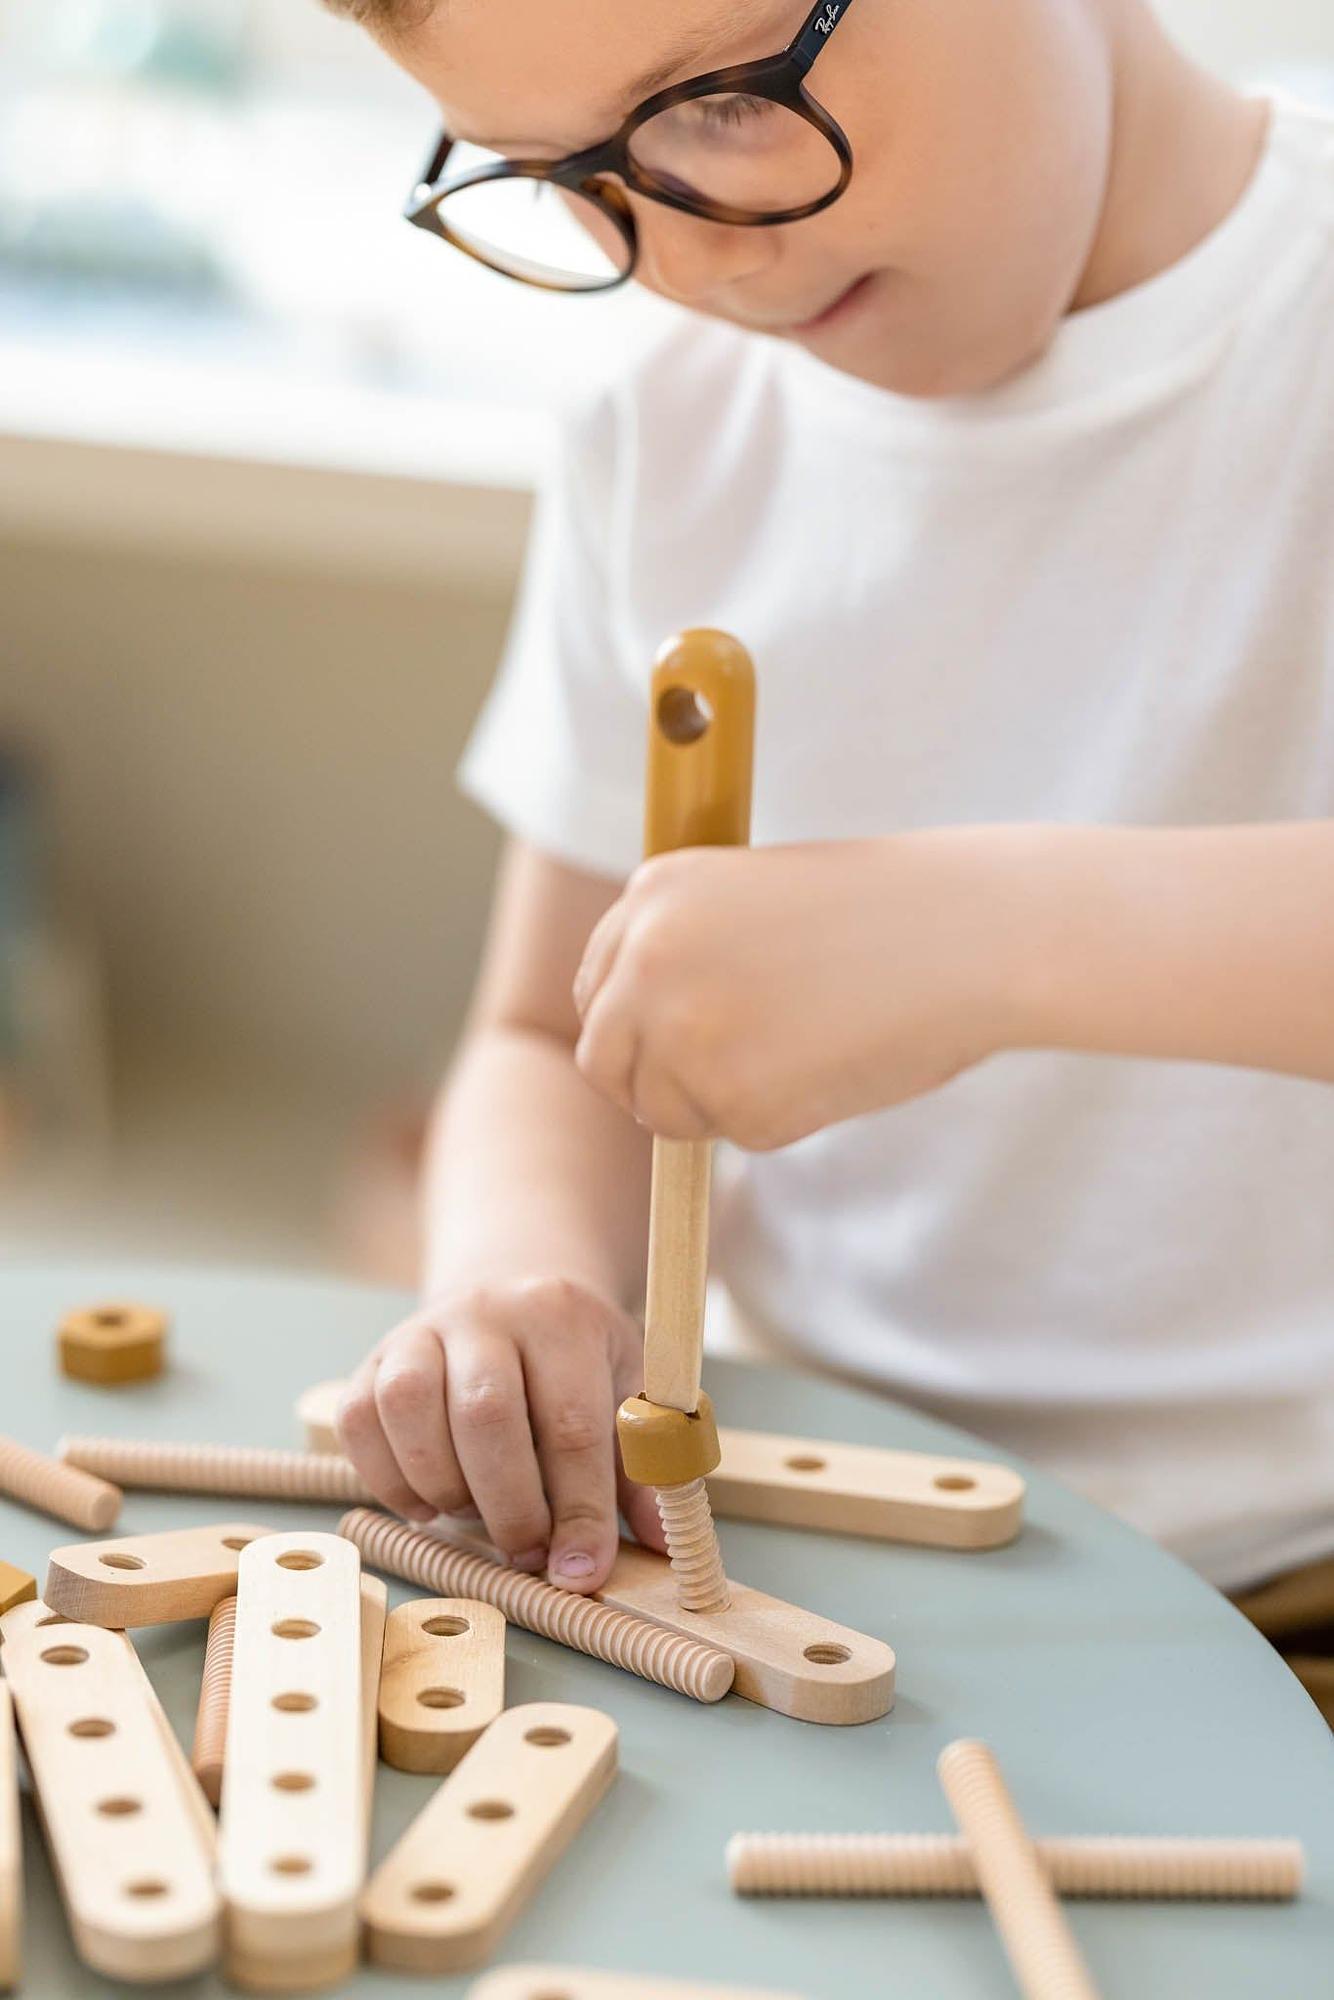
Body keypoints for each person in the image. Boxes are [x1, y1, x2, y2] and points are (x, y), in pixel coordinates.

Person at [324, 0, 1334, 1719]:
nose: (688, 262)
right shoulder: (664, 434)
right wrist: (515, 1277)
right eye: (565, 179)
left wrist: (993, 937)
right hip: (834, 1532)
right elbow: (538, 1043)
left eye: (716, 102)